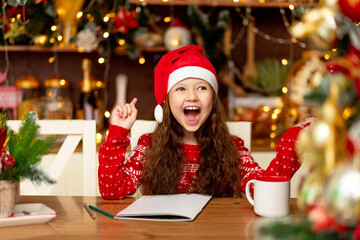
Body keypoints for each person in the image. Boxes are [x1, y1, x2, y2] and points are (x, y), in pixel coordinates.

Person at [98, 45, 311, 200]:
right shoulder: (148, 147)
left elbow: (262, 190)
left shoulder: (233, 149)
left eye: (201, 88)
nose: (192, 96)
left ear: (213, 99)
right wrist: (117, 134)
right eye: (181, 89)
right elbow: (112, 189)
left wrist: (293, 142)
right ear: (168, 101)